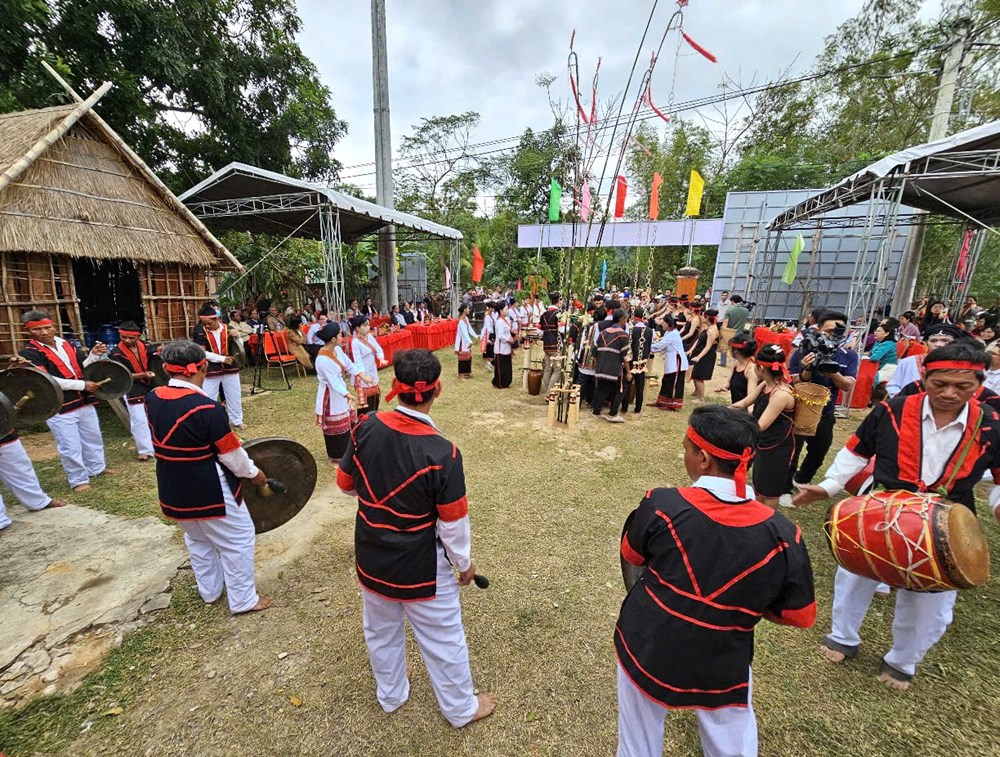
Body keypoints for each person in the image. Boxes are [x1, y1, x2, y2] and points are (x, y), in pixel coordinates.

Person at [793, 343, 1000, 690]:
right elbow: (857, 450)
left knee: (930, 604)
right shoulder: (893, 410)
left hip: (946, 521)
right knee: (855, 575)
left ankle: (902, 659)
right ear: (924, 376)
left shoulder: (992, 425)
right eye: (940, 384)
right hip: (882, 508)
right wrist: (828, 487)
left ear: (979, 383)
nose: (949, 393)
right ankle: (843, 636)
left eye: (962, 386)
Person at [616, 405, 816, 757]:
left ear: (704, 458)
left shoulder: (660, 504)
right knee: (732, 742)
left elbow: (632, 556)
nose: (685, 455)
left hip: (647, 645)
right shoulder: (785, 535)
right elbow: (798, 615)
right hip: (724, 658)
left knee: (638, 740)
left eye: (687, 448)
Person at [336, 349, 497, 727]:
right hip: (421, 567)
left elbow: (344, 486)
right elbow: (453, 525)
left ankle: (391, 694)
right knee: (444, 641)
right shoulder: (444, 453)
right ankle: (460, 709)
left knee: (380, 629)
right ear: (437, 390)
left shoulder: (364, 428)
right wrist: (465, 565)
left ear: (395, 387)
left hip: (372, 556)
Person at [145, 340, 273, 614]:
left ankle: (210, 592)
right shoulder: (207, 408)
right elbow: (230, 455)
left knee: (198, 539)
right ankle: (243, 600)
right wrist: (255, 473)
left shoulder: (153, 396)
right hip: (207, 486)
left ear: (167, 368)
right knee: (238, 539)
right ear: (202, 366)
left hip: (172, 484)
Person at [20, 310, 112, 492]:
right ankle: (78, 480)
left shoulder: (66, 344)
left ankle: (97, 468)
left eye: (47, 327)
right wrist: (82, 385)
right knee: (69, 445)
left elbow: (81, 368)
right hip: (58, 405)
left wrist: (93, 355)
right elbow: (47, 380)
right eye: (38, 329)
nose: (44, 332)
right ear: (28, 331)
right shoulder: (29, 352)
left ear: (54, 326)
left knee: (93, 437)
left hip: (83, 400)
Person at [788, 311, 858, 485]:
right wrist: (806, 368)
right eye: (828, 331)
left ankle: (802, 479)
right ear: (818, 330)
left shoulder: (848, 356)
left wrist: (834, 373)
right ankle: (784, 485)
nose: (832, 336)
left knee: (820, 450)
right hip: (799, 411)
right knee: (792, 449)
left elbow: (848, 385)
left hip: (826, 412)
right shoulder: (803, 351)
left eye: (837, 331)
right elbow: (793, 381)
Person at [733, 345, 796, 508]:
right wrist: (722, 411)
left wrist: (735, 426)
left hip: (777, 447)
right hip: (762, 443)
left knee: (770, 490)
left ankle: (766, 520)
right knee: (759, 483)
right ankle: (757, 512)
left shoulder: (781, 394)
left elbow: (761, 425)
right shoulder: (766, 385)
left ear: (761, 368)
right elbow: (746, 402)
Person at [314, 322, 365, 463]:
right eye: (340, 334)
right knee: (334, 424)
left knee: (346, 422)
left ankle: (349, 451)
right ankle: (337, 457)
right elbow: (333, 381)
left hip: (340, 391)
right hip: (331, 394)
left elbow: (349, 365)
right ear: (333, 339)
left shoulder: (338, 351)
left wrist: (361, 374)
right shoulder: (322, 360)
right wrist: (347, 394)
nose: (342, 336)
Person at [109, 321, 157, 460]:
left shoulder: (147, 345)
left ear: (139, 336)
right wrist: (142, 375)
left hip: (152, 383)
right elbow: (120, 375)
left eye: (131, 338)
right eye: (123, 337)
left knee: (154, 416)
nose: (127, 340)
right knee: (139, 419)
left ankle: (158, 445)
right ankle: (145, 450)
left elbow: (156, 360)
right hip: (132, 386)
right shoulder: (116, 353)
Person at [192, 303, 245, 429]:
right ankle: (209, 423)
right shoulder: (199, 331)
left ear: (216, 319)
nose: (206, 325)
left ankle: (237, 420)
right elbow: (202, 353)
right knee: (209, 396)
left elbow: (240, 345)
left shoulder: (228, 328)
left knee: (234, 394)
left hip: (230, 367)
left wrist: (237, 336)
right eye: (203, 322)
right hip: (211, 369)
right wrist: (222, 359)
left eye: (209, 322)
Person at [886, 323, 962, 397]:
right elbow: (893, 386)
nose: (938, 344)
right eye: (933, 340)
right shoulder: (908, 362)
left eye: (945, 340)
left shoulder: (962, 367)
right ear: (926, 343)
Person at [592, 309, 631, 423]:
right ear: (622, 320)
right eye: (625, 320)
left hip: (601, 367)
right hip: (613, 369)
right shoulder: (623, 335)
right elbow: (625, 356)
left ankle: (596, 410)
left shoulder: (603, 333)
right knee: (622, 388)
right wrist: (628, 372)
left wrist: (598, 364)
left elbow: (594, 352)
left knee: (603, 387)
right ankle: (613, 413)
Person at [350, 315, 387, 413]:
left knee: (375, 398)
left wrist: (381, 358)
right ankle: (363, 423)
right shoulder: (355, 342)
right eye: (365, 325)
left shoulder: (370, 336)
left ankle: (373, 419)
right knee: (366, 404)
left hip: (372, 370)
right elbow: (358, 361)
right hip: (363, 374)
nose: (368, 327)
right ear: (357, 328)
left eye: (368, 325)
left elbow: (378, 349)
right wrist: (364, 376)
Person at [651, 315, 688, 411]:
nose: (662, 324)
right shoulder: (669, 332)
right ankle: (662, 402)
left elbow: (660, 346)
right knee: (667, 381)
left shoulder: (673, 334)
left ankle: (671, 404)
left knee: (673, 382)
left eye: (664, 322)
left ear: (669, 324)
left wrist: (647, 347)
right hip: (672, 359)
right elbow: (661, 345)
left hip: (677, 361)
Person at [622, 307, 653, 414]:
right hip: (642, 363)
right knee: (640, 386)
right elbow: (649, 347)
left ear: (635, 318)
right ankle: (638, 408)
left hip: (630, 362)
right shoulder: (649, 331)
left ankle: (624, 407)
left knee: (627, 385)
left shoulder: (630, 330)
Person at [688, 309, 720, 405]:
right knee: (695, 374)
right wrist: (691, 350)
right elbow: (698, 340)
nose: (701, 317)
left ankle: (701, 398)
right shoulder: (707, 328)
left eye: (703, 316)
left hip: (706, 356)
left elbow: (708, 346)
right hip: (700, 353)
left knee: (699, 376)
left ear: (707, 318)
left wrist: (699, 357)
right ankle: (697, 392)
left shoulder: (712, 330)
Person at [719, 334, 758, 404]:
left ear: (735, 351)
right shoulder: (736, 364)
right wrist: (723, 387)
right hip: (736, 407)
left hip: (744, 410)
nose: (729, 350)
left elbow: (750, 399)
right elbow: (729, 383)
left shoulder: (751, 371)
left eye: (730, 348)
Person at [540, 294, 564, 393]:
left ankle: (547, 391)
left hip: (546, 345)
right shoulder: (559, 313)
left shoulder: (544, 314)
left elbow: (539, 331)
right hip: (556, 345)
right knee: (557, 371)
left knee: (548, 369)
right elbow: (562, 330)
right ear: (558, 301)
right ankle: (550, 394)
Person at [491, 301, 515, 389]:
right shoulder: (499, 322)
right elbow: (500, 335)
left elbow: (508, 331)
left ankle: (507, 381)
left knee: (507, 365)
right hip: (501, 347)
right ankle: (499, 382)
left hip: (507, 346)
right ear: (501, 311)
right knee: (501, 366)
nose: (507, 310)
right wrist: (508, 340)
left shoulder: (506, 319)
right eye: (505, 309)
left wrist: (512, 335)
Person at [453, 304, 478, 378]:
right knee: (462, 357)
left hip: (466, 340)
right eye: (468, 308)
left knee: (468, 356)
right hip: (462, 341)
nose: (469, 310)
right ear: (464, 310)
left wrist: (475, 336)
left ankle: (467, 371)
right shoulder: (461, 321)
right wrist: (470, 341)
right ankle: (460, 374)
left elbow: (469, 328)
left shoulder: (466, 318)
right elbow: (464, 332)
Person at [715, 290, 731, 367]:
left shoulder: (729, 304)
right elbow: (716, 311)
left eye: (725, 295)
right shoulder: (719, 303)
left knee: (723, 340)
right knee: (718, 337)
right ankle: (720, 356)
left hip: (724, 322)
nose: (723, 296)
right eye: (722, 295)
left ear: (727, 296)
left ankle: (723, 359)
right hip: (718, 321)